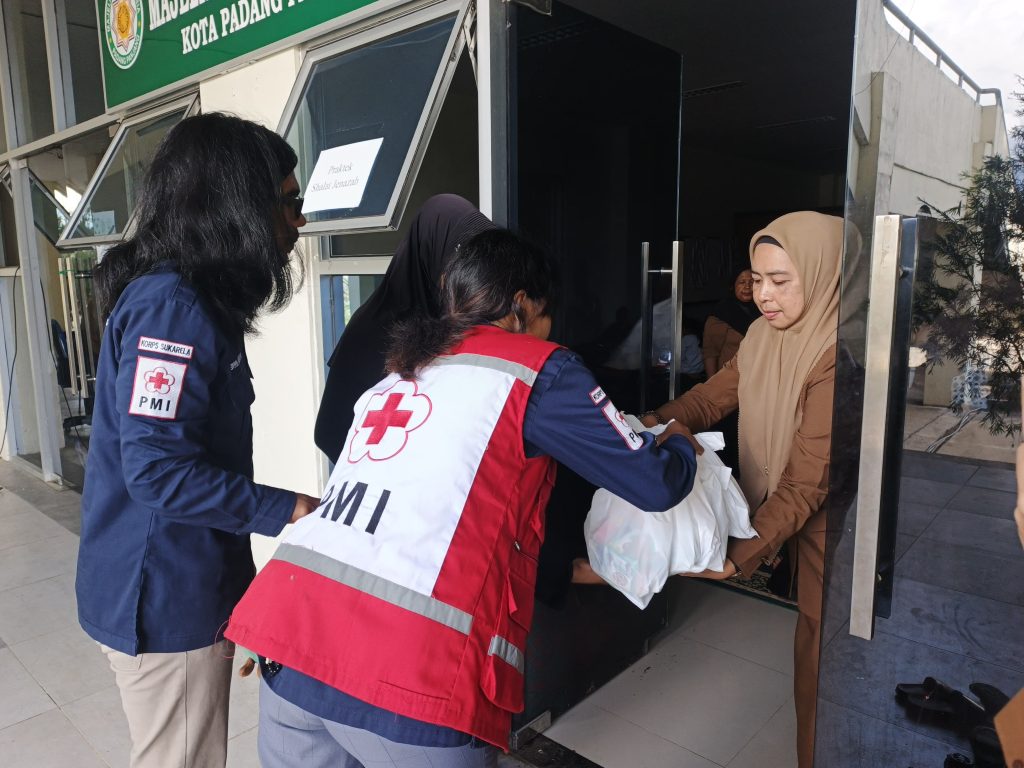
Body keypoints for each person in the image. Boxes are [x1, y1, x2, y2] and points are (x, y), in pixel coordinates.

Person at [227, 229, 701, 767]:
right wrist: (679, 441)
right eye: (547, 316)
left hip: (291, 642)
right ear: (522, 306)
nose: (549, 332)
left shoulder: (402, 372)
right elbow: (653, 482)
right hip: (411, 680)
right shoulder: (536, 369)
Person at [75, 113, 320, 768]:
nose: (297, 225)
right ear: (239, 206)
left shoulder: (190, 301)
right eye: (288, 206)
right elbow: (156, 472)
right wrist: (288, 508)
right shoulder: (174, 309)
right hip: (163, 596)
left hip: (176, 583)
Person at [642, 211, 842, 768]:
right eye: (757, 279)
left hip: (834, 520)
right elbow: (710, 399)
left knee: (821, 651)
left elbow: (807, 484)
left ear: (823, 275)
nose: (763, 296)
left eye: (781, 281)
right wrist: (648, 422)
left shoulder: (837, 352)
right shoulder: (758, 336)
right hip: (785, 501)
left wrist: (738, 557)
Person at [313, 194, 494, 463]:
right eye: (458, 262)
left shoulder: (458, 322)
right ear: (432, 253)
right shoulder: (374, 330)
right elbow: (330, 430)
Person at [702, 268, 759, 376]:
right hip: (730, 378)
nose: (747, 286)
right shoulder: (722, 312)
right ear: (732, 286)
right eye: (742, 282)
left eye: (751, 282)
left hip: (757, 376)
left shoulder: (763, 309)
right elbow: (710, 353)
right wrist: (713, 384)